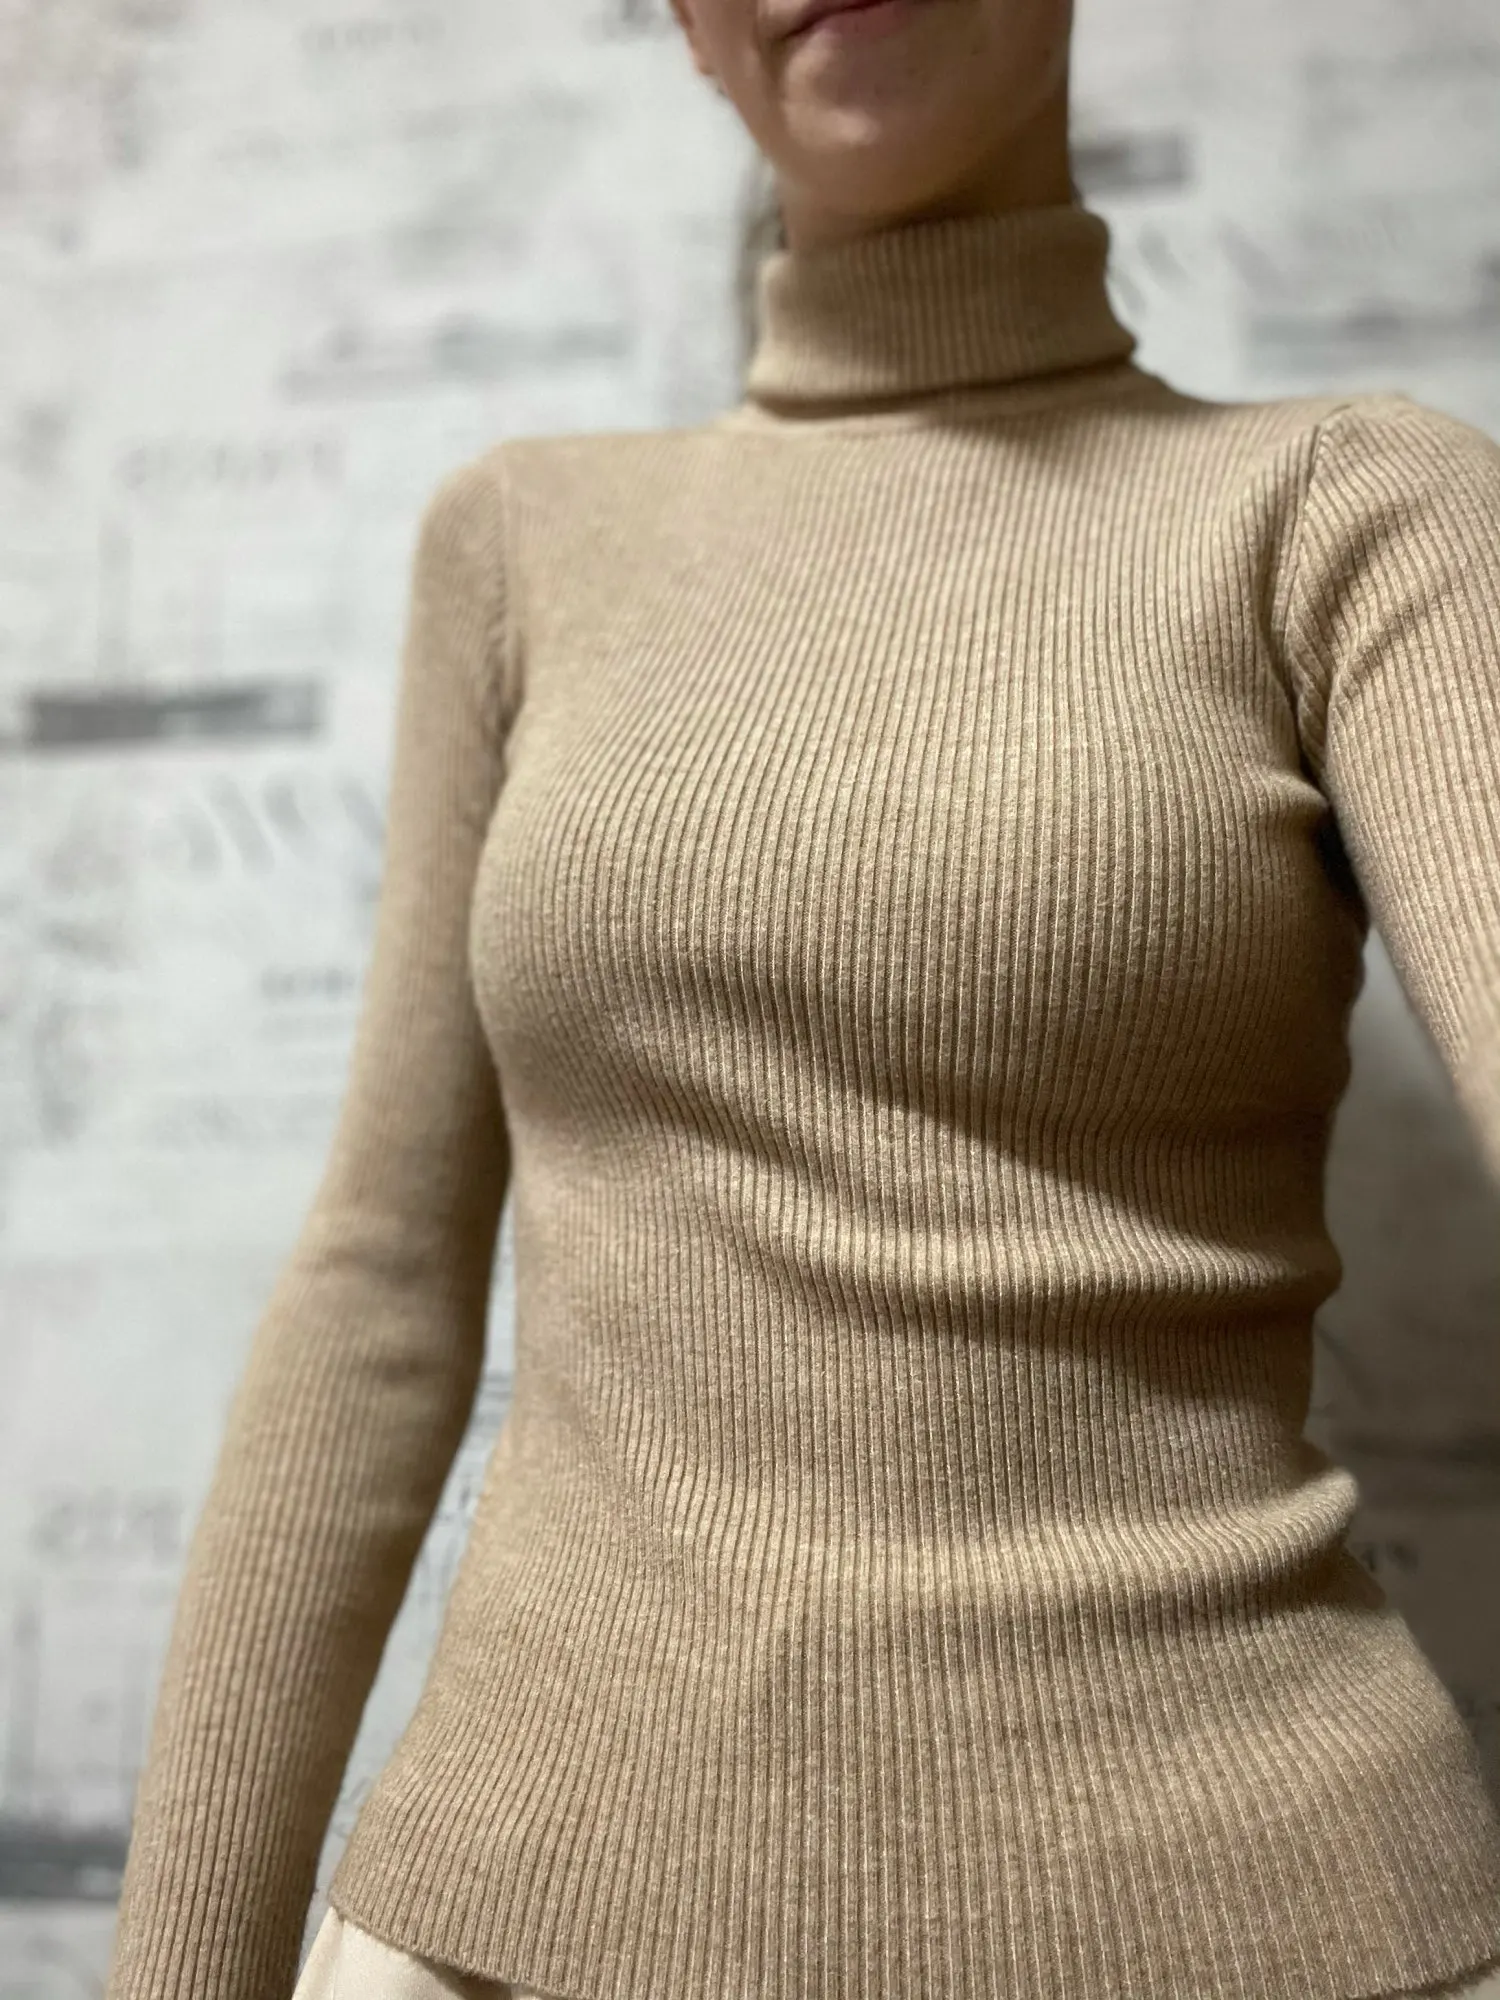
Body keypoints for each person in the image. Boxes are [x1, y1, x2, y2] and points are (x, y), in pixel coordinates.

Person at [104, 0, 1500, 1995]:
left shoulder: (1350, 513)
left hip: (1256, 1915)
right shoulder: (521, 545)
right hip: (511, 1925)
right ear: (686, 26)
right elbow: (378, 1294)